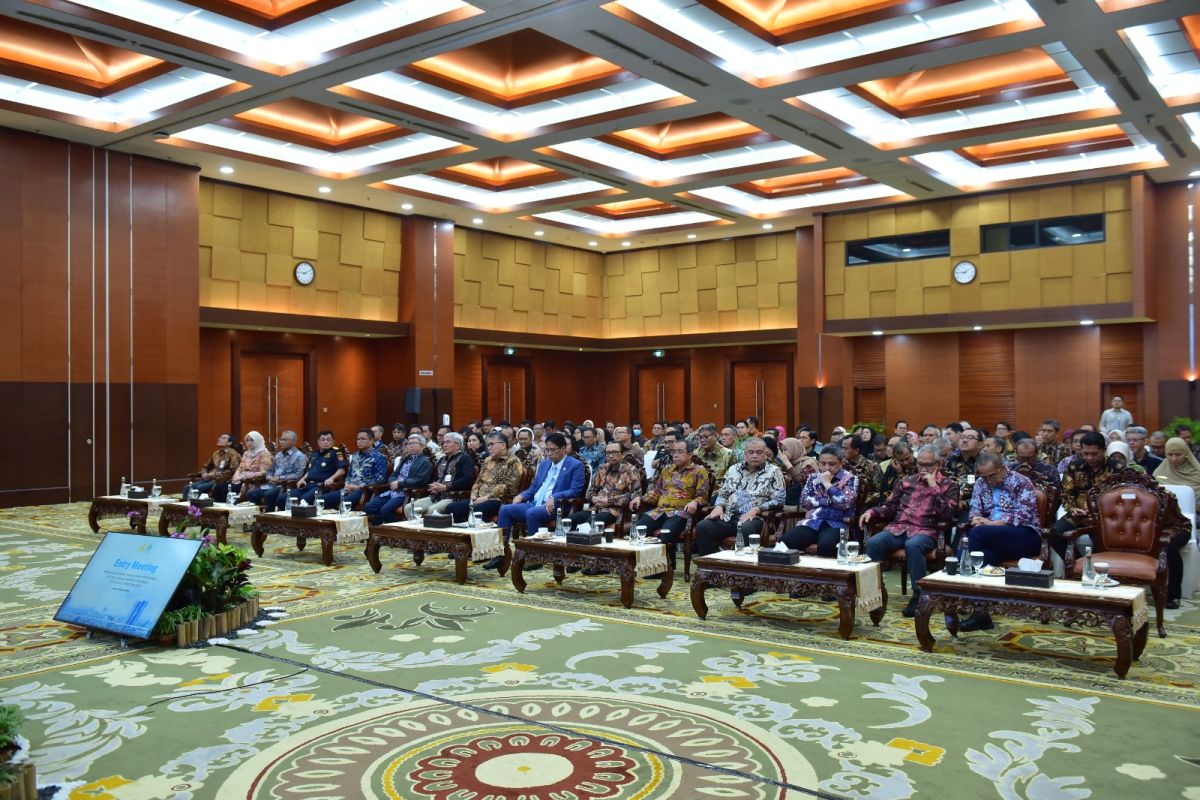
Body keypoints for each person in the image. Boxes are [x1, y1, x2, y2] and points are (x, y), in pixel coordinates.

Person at [864, 444, 960, 616]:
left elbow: (947, 514)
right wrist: (872, 512)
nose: (923, 469)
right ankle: (873, 593)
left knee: (914, 545)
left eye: (928, 465)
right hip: (898, 529)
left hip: (926, 532)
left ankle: (918, 596)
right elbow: (890, 507)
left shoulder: (949, 485)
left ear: (939, 463)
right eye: (920, 464)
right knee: (874, 542)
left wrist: (933, 487)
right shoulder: (905, 482)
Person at [957, 452, 1042, 631]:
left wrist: (992, 524)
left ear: (1003, 469)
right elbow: (975, 509)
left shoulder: (1020, 481)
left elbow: (1024, 513)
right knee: (984, 556)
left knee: (975, 537)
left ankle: (959, 587)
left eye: (993, 475)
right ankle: (981, 614)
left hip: (1024, 536)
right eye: (985, 477)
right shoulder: (981, 484)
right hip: (993, 539)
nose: (989, 481)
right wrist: (976, 519)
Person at [489, 433, 586, 568]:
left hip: (555, 507)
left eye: (553, 450)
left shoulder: (575, 465)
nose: (549, 453)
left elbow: (575, 491)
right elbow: (534, 487)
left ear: (563, 449)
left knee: (532, 513)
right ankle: (500, 554)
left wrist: (555, 497)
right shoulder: (545, 464)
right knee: (506, 509)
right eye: (547, 450)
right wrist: (521, 496)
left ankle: (536, 557)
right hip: (535, 503)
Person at [693, 438, 785, 558]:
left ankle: (743, 569)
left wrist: (757, 509)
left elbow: (779, 500)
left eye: (759, 452)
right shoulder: (733, 469)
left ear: (766, 454)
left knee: (746, 528)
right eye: (751, 452)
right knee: (703, 526)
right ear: (745, 454)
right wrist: (719, 506)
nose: (755, 455)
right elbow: (723, 493)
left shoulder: (774, 471)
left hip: (757, 519)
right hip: (728, 516)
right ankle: (713, 566)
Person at [628, 438, 712, 568]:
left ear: (690, 455)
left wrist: (695, 502)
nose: (675, 455)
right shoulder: (667, 469)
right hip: (660, 510)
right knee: (639, 528)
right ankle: (648, 567)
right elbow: (656, 492)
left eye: (680, 451)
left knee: (666, 534)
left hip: (681, 512)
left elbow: (703, 496)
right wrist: (640, 498)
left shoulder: (699, 471)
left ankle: (664, 568)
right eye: (673, 452)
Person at [781, 446, 858, 557]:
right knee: (785, 542)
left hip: (837, 523)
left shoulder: (850, 479)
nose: (827, 468)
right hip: (813, 522)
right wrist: (828, 501)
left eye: (832, 464)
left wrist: (827, 484)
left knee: (827, 546)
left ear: (841, 463)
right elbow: (804, 501)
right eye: (823, 463)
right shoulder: (813, 478)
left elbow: (845, 503)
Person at [1152, 437, 1200, 607]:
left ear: (1186, 454)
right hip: (1159, 522)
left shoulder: (1196, 474)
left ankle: (1173, 594)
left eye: (1177, 455)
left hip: (1182, 524)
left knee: (1170, 545)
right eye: (1169, 455)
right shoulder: (1159, 472)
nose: (1173, 459)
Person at [1049, 431, 1111, 561]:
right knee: (1053, 533)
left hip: (1104, 517)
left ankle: (1095, 570)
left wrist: (1096, 512)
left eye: (1094, 454)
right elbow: (1066, 493)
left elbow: (1120, 499)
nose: (1089, 458)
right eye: (1085, 453)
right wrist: (1073, 509)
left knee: (1102, 540)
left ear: (1104, 450)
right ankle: (1076, 564)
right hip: (1077, 514)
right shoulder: (1074, 467)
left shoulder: (1115, 468)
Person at [445, 431, 524, 523]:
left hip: (499, 500)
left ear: (503, 445)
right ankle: (464, 534)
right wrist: (473, 495)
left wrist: (486, 498)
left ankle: (479, 534)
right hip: (479, 499)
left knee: (476, 510)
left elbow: (509, 487)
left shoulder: (513, 461)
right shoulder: (488, 460)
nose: (489, 448)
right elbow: (478, 482)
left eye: (491, 444)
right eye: (488, 445)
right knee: (451, 508)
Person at [569, 441, 641, 531]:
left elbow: (634, 495)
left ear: (622, 454)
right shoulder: (602, 468)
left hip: (614, 511)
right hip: (595, 508)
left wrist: (609, 501)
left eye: (614, 452)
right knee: (571, 520)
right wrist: (593, 498)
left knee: (590, 523)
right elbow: (591, 491)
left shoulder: (631, 470)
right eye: (608, 453)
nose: (610, 456)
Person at [364, 434, 433, 524]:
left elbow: (420, 480)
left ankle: (395, 532)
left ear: (422, 446)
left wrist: (399, 484)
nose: (411, 445)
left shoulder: (425, 462)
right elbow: (394, 474)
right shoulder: (406, 459)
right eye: (409, 443)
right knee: (369, 507)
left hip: (406, 492)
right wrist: (392, 482)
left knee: (385, 510)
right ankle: (381, 528)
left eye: (414, 443)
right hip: (393, 490)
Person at [406, 432, 476, 518]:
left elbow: (467, 480)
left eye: (448, 442)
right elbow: (433, 479)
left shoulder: (465, 459)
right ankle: (414, 530)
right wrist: (433, 486)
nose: (444, 445)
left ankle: (427, 531)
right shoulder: (442, 460)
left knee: (432, 510)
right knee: (409, 508)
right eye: (443, 442)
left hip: (453, 497)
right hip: (435, 496)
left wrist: (446, 487)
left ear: (457, 445)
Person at [326, 429, 388, 510]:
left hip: (364, 491)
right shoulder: (355, 455)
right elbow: (349, 474)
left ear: (371, 441)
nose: (359, 441)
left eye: (363, 439)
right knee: (321, 500)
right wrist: (347, 483)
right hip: (348, 489)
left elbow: (380, 479)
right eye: (358, 439)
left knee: (344, 503)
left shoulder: (379, 457)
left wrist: (359, 487)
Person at [247, 430, 306, 510]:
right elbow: (270, 471)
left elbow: (298, 475)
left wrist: (280, 478)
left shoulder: (299, 456)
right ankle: (258, 519)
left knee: (269, 495)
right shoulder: (278, 455)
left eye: (285, 440)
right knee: (251, 494)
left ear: (294, 441)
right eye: (281, 439)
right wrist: (270, 477)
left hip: (285, 485)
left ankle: (269, 520)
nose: (282, 442)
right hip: (271, 484)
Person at [288, 430, 346, 506]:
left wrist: (331, 478)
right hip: (307, 485)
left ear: (333, 441)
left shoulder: (337, 453)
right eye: (323, 440)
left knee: (304, 499)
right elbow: (309, 471)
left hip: (321, 486)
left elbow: (342, 470)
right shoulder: (314, 454)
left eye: (328, 440)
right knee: (284, 498)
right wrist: (302, 479)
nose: (325, 442)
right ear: (318, 442)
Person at [184, 433, 241, 501]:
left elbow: (232, 471)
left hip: (222, 480)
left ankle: (198, 509)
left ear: (229, 443)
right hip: (210, 478)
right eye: (220, 437)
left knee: (199, 487)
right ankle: (187, 508)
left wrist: (214, 474)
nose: (219, 439)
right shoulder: (216, 453)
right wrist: (204, 473)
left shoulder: (234, 454)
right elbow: (206, 466)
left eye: (223, 438)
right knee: (188, 487)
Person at [228, 431, 272, 501]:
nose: (249, 443)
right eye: (247, 440)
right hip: (242, 480)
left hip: (255, 482)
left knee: (229, 488)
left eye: (252, 440)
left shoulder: (265, 454)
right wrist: (236, 476)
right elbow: (240, 468)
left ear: (257, 440)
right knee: (225, 487)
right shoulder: (246, 453)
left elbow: (264, 472)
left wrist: (243, 477)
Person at [777, 437, 817, 508]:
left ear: (794, 448)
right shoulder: (789, 463)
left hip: (805, 504)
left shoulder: (809, 462)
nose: (783, 453)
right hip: (789, 503)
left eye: (785, 449)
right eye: (782, 450)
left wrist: (788, 464)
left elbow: (800, 480)